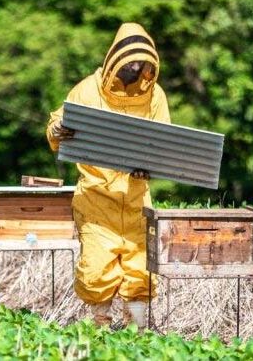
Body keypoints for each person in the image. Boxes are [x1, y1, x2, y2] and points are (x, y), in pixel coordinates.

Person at [45, 22, 170, 328]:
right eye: (130, 63)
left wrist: (149, 164)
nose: (135, 69)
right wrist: (58, 129)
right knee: (96, 270)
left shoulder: (155, 95)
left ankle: (136, 332)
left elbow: (164, 142)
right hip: (96, 198)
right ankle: (100, 329)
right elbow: (56, 126)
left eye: (140, 64)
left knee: (141, 271)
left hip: (137, 199)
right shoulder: (87, 90)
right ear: (115, 58)